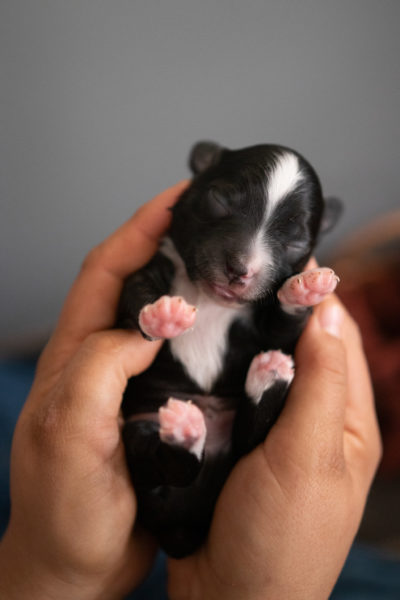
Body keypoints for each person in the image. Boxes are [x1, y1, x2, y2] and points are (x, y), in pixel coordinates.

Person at [0, 182, 382, 600]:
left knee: (242, 417)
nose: (378, 364)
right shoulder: (180, 266)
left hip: (213, 452)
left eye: (391, 417)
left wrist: (47, 577)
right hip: (149, 445)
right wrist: (51, 574)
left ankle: (193, 443)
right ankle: (182, 450)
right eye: (389, 318)